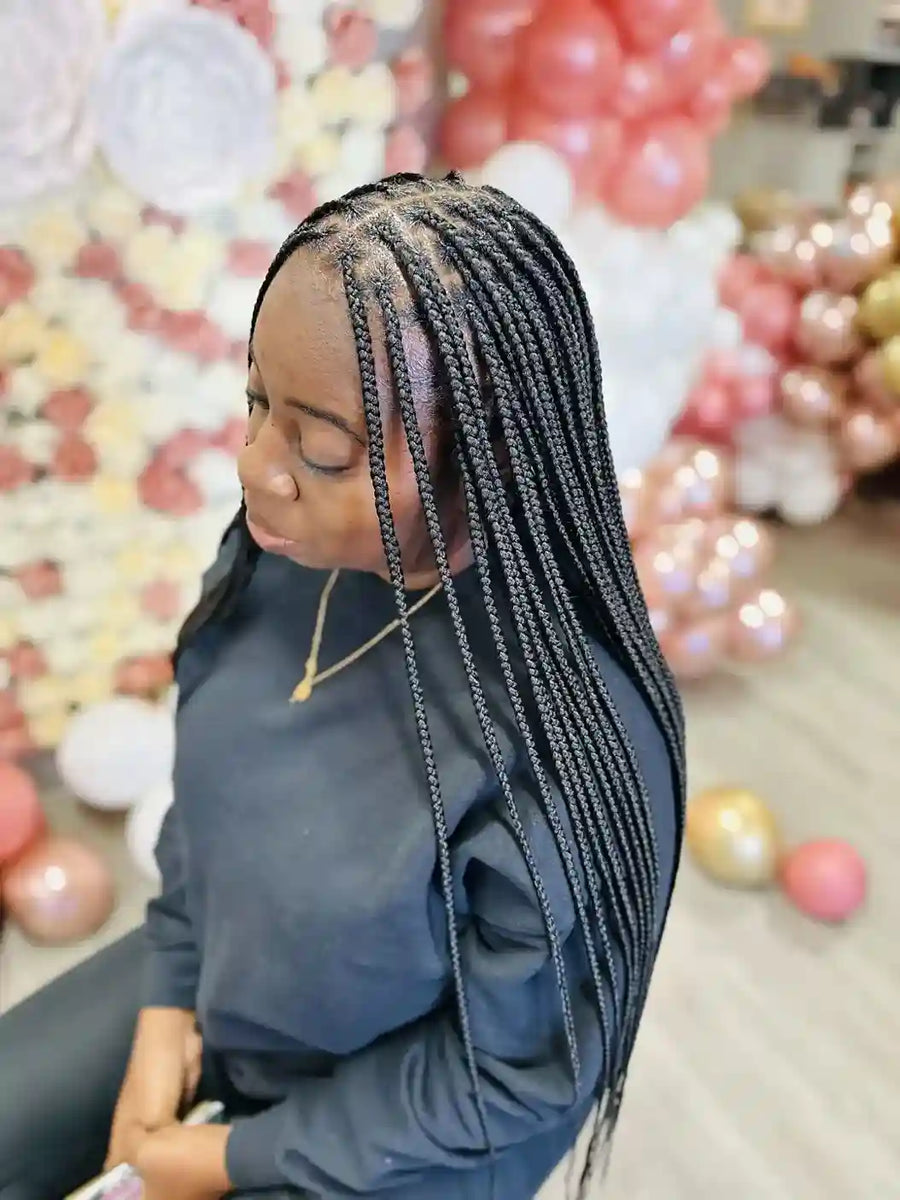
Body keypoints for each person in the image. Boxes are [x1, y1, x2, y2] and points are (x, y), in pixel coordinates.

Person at [0, 172, 684, 1200]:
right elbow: (209, 813)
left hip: (416, 1126)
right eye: (256, 403)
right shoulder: (282, 562)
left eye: (320, 450)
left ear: (489, 460)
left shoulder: (570, 739)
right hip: (227, 992)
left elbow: (511, 1075)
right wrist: (165, 1005)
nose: (253, 466)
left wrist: (225, 1158)